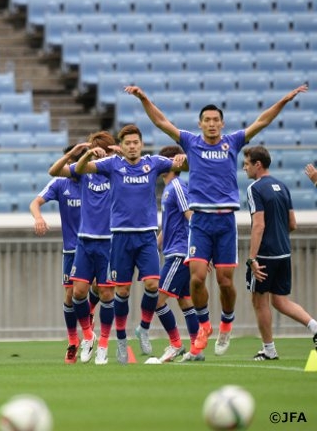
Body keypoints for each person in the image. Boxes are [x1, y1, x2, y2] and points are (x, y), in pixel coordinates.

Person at [125, 84, 308, 361]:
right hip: (199, 222)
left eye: (215, 120)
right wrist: (144, 98)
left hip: (225, 223)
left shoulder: (232, 142)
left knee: (224, 282)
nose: (211, 124)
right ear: (200, 124)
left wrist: (284, 99)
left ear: (222, 123)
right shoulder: (190, 141)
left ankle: (226, 322)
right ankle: (204, 325)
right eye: (206, 120)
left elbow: (263, 121)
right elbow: (161, 122)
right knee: (197, 279)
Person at [73, 124, 184, 364]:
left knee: (153, 285)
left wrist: (183, 158)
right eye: (128, 143)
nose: (132, 146)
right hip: (120, 237)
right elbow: (81, 169)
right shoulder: (112, 165)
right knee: (121, 291)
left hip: (146, 236)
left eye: (136, 142)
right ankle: (121, 340)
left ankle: (143, 328)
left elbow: (183, 166)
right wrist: (87, 155)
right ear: (121, 147)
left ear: (141, 144)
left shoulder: (153, 162)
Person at [49, 132, 118, 365]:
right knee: (77, 293)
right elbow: (55, 171)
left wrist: (118, 153)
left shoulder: (117, 171)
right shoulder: (84, 173)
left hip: (109, 242)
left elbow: (137, 165)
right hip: (85, 242)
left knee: (107, 293)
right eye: (97, 149)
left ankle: (104, 345)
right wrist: (82, 152)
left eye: (104, 149)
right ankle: (88, 336)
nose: (101, 153)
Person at [243, 145, 317, 359]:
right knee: (280, 300)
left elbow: (258, 225)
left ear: (258, 165)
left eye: (247, 163)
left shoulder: (254, 188)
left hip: (265, 254)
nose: (245, 168)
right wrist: (279, 238)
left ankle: (269, 350)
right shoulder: (282, 186)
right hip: (284, 252)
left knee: (259, 302)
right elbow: (292, 223)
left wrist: (251, 259)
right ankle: (314, 326)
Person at [30, 144, 83, 363]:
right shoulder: (60, 183)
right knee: (70, 296)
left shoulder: (97, 181)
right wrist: (38, 217)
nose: (68, 165)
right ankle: (73, 341)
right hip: (71, 249)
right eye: (67, 161)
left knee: (101, 290)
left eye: (72, 161)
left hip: (98, 245)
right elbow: (35, 202)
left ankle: (89, 323)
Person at [153, 145, 202, 363]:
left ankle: (175, 345)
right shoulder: (168, 188)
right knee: (185, 302)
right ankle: (196, 349)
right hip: (173, 251)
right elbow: (169, 224)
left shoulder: (178, 187)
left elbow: (191, 216)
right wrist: (153, 246)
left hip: (180, 254)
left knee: (156, 300)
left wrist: (199, 250)